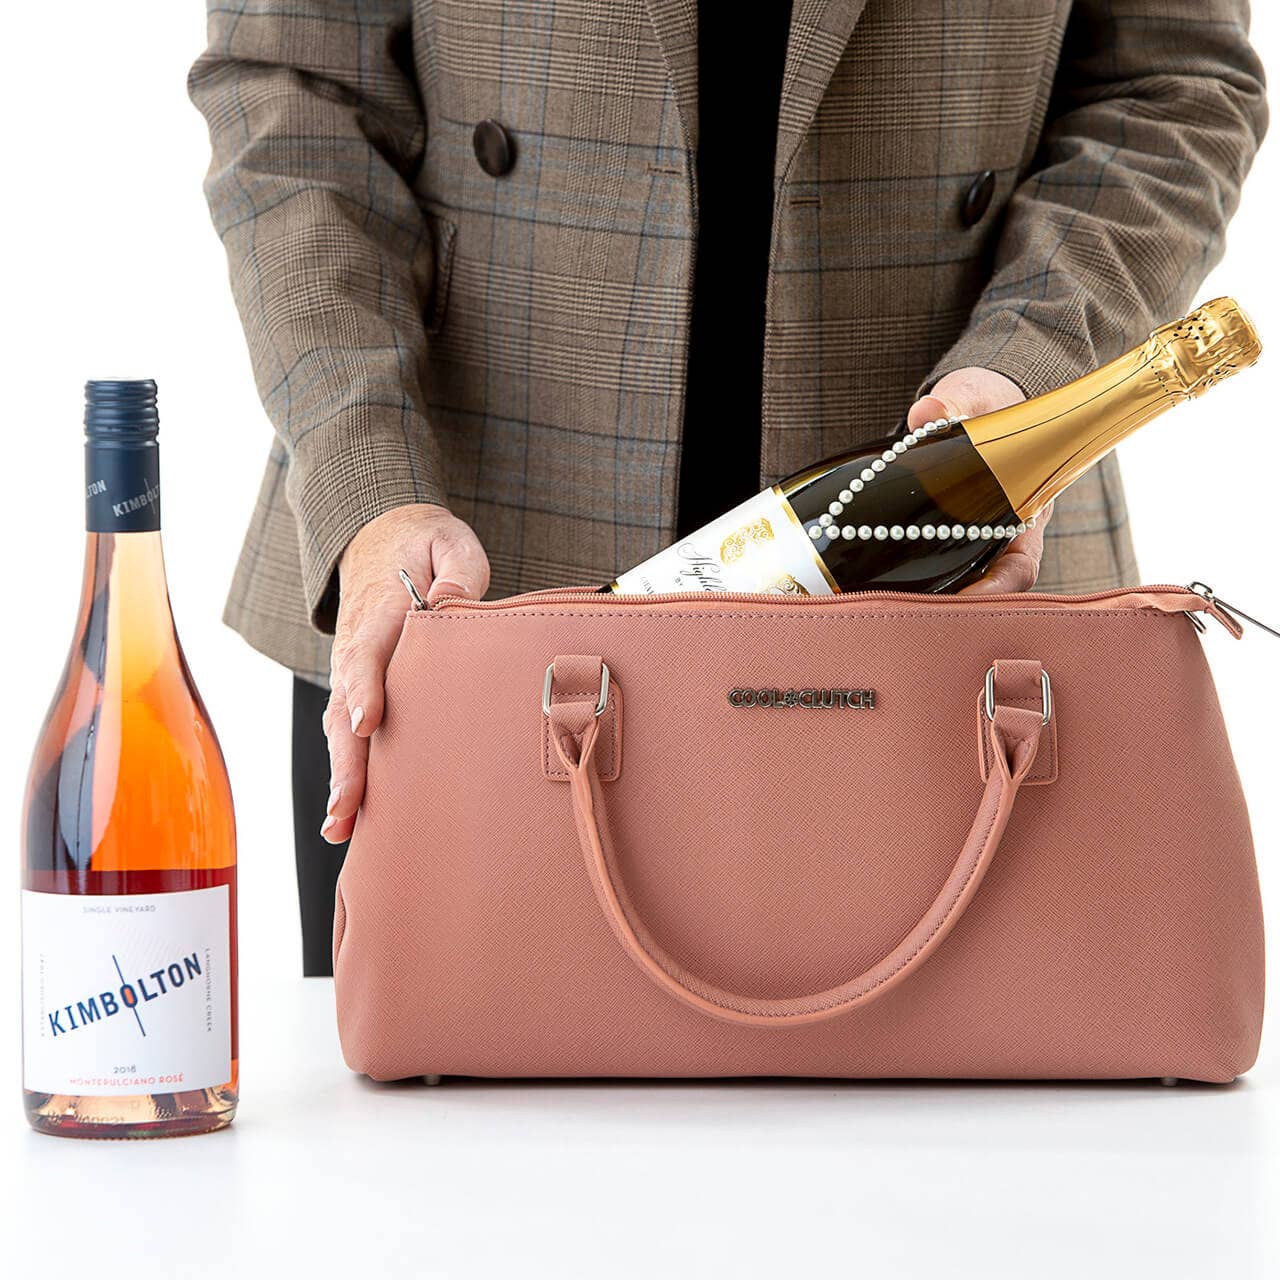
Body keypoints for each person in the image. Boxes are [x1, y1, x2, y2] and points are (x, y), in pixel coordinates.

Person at [189, 0, 1266, 975]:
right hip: (459, 573)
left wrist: (1029, 363)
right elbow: (292, 91)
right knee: (429, 1116)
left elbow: (1173, 82)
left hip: (948, 609)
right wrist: (370, 480)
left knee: (958, 1119)